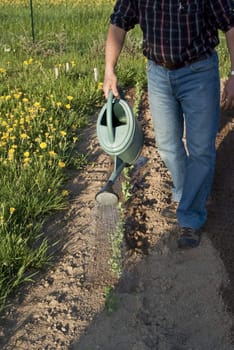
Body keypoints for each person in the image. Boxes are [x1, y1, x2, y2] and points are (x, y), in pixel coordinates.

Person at [103, 0, 234, 249]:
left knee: (200, 149)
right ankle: (185, 193)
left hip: (199, 73)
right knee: (166, 144)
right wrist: (109, 70)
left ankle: (190, 217)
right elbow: (119, 22)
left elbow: (230, 24)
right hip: (159, 74)